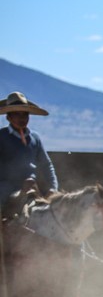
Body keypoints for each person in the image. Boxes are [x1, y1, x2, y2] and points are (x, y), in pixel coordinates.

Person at [0, 91, 58, 221]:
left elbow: (46, 165)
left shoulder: (35, 138)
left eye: (25, 114)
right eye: (16, 114)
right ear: (8, 117)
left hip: (32, 186)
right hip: (5, 188)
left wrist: (53, 188)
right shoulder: (1, 137)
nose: (22, 118)